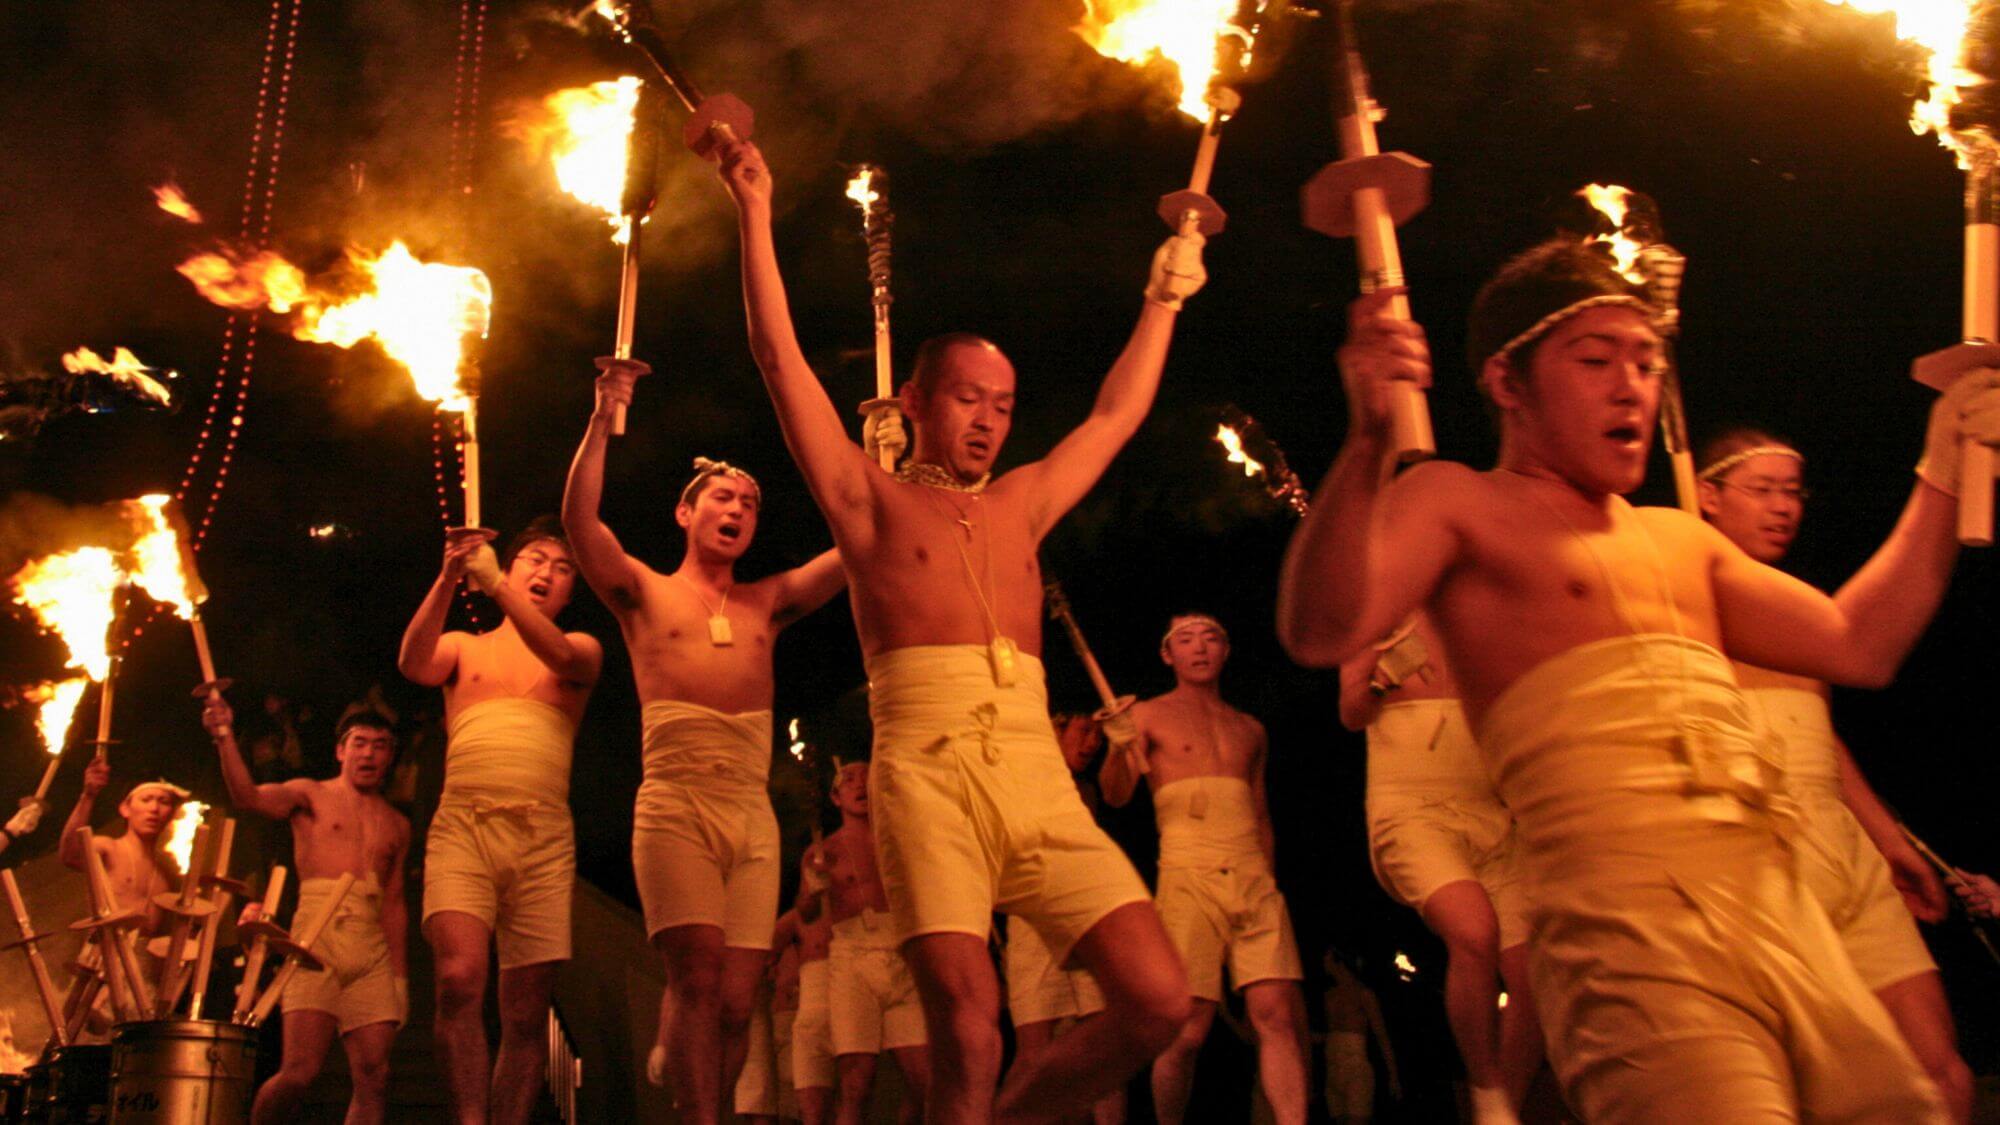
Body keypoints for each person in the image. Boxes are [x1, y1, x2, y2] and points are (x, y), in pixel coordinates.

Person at [1276, 237, 2000, 1121]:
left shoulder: (1680, 538)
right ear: (1508, 382)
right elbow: (1321, 630)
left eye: (1647, 361)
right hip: (1627, 933)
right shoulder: (1461, 503)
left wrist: (1943, 462)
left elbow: (1860, 642)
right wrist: (1366, 440)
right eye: (1595, 360)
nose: (1633, 385)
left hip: (1778, 911)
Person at [716, 131, 1206, 1120]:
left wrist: (1163, 298)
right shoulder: (867, 505)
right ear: (914, 400)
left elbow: (1111, 417)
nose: (988, 419)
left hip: (1029, 763)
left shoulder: (1022, 501)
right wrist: (754, 213)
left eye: (1004, 405)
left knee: (1157, 997)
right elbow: (778, 360)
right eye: (967, 398)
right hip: (925, 767)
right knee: (967, 1016)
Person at [564, 375, 845, 1123]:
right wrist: (600, 422)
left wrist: (877, 469)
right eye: (723, 498)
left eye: (750, 504)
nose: (738, 510)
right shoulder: (645, 592)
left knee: (733, 1000)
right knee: (694, 976)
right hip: (677, 802)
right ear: (686, 511)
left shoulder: (766, 602)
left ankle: (707, 1106)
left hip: (749, 811)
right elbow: (579, 520)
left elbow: (857, 545)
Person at [1697, 428, 1974, 1119]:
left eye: (1792, 491)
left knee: (1942, 1076)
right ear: (1707, 495)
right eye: (1761, 489)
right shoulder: (1682, 602)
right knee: (1807, 1089)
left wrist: (1889, 840)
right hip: (1761, 860)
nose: (1783, 506)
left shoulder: (1799, 604)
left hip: (1845, 852)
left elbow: (1820, 739)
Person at [397, 518, 601, 1125]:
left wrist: (496, 587)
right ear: (508, 567)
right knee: (458, 979)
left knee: (525, 1009)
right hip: (465, 826)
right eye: (533, 560)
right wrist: (449, 576)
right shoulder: (465, 645)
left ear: (568, 594)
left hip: (543, 837)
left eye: (561, 569)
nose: (545, 573)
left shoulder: (581, 650)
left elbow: (561, 653)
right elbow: (414, 663)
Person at [1100, 614, 1308, 1125]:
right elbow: (1116, 793)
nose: (1199, 648)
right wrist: (1117, 744)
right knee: (1188, 1030)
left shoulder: (1249, 728)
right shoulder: (1147, 715)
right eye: (1186, 640)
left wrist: (1270, 881)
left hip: (1251, 873)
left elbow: (1261, 815)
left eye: (1211, 638)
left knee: (1277, 1016)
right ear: (1168, 655)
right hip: (1188, 868)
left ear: (1225, 651)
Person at [1338, 616, 1539, 1116]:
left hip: (1491, 812)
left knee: (1535, 976)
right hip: (1411, 812)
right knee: (1474, 931)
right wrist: (1385, 676)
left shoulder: (1483, 619)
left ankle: (1503, 1109)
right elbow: (1351, 713)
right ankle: (1485, 1087)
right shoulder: (1375, 627)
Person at [204, 699, 410, 1125]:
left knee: (376, 1076)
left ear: (390, 755)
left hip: (370, 945)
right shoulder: (310, 794)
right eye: (359, 743)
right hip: (317, 934)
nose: (369, 753)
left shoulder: (397, 824)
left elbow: (393, 902)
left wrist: (401, 977)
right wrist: (224, 737)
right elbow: (247, 796)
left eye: (380, 745)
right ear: (341, 751)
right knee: (300, 1072)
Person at [1001, 714, 1125, 1125]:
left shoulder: (1086, 789)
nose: (1092, 743)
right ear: (1056, 728)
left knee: (1106, 1042)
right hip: (1035, 918)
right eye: (1083, 730)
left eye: (1098, 734)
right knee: (1036, 1049)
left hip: (1087, 919)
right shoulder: (1022, 775)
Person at [805, 762, 929, 1124]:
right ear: (835, 797)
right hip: (853, 956)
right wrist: (814, 881)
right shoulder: (824, 850)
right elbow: (807, 912)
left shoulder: (901, 837)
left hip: (902, 951)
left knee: (924, 1082)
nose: (859, 784)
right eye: (849, 779)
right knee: (857, 1082)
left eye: (866, 776)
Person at [1321, 950, 1397, 1125]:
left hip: (1355, 1065)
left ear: (1339, 963)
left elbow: (1381, 1034)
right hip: (1333, 1066)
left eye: (1327, 958)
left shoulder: (1363, 994)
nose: (1324, 962)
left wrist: (1393, 1074)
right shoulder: (1329, 995)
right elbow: (1333, 1032)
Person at [790, 853, 837, 1125]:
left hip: (846, 986)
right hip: (810, 1008)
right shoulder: (797, 919)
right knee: (812, 1111)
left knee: (855, 1090)